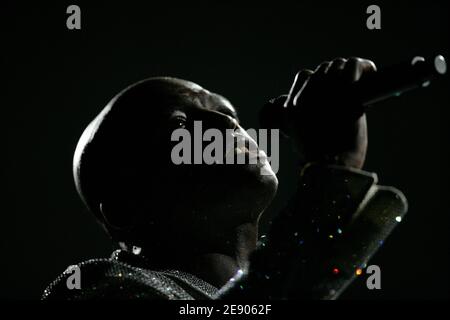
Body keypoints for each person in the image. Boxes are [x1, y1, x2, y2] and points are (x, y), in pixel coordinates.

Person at [43, 57, 407, 300]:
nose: (226, 124)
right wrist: (331, 172)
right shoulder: (95, 289)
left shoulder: (308, 276)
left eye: (226, 112)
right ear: (124, 208)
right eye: (179, 125)